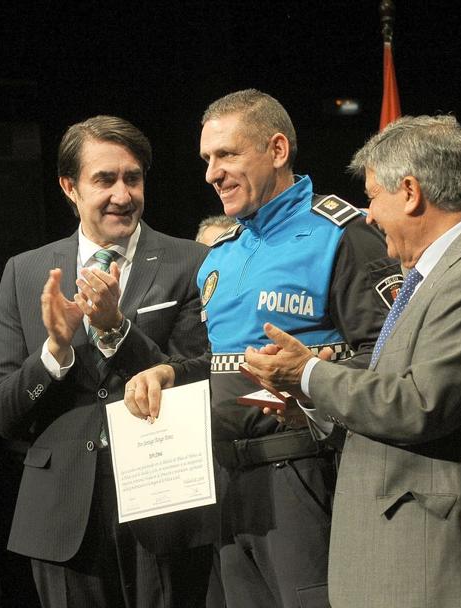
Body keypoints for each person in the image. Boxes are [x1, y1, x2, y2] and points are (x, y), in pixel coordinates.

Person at [124, 89, 400, 608]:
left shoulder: (343, 235)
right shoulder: (219, 258)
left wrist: (309, 386)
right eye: (207, 159)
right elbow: (221, 363)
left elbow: (385, 356)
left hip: (310, 474)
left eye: (227, 154)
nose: (212, 173)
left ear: (277, 150)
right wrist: (169, 376)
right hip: (229, 486)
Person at [244, 115, 461, 607]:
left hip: (436, 558)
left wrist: (308, 373)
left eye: (374, 197)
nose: (370, 216)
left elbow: (419, 404)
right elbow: (390, 394)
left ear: (410, 192)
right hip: (400, 557)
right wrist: (309, 404)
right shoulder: (433, 277)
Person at [0, 115, 212, 608]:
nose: (123, 194)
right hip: (63, 511)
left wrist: (116, 328)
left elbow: (200, 374)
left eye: (133, 178)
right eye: (104, 179)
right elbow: (3, 413)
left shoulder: (190, 262)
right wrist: (55, 351)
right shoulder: (24, 273)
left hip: (164, 499)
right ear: (70, 187)